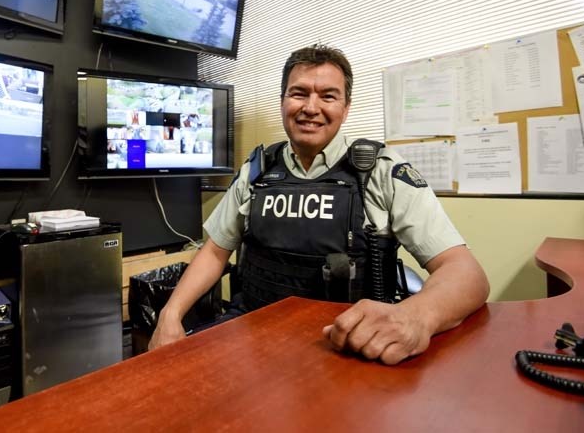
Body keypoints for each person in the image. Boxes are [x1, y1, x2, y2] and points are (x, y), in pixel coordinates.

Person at [148, 44, 489, 365]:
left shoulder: (379, 171)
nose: (311, 108)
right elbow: (214, 252)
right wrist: (171, 314)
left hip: (344, 347)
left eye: (328, 96)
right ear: (283, 100)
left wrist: (415, 316)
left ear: (345, 107)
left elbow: (466, 274)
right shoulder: (256, 171)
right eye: (299, 93)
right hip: (251, 337)